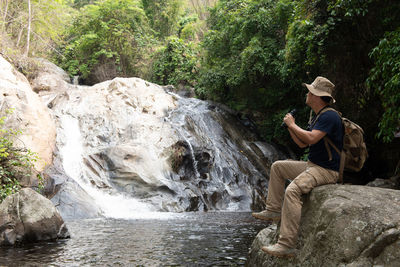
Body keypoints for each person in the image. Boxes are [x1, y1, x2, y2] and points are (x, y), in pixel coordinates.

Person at [252, 76, 343, 257]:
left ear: (317, 96)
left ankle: (286, 244)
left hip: (326, 170)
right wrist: (290, 128)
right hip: (312, 165)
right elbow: (303, 144)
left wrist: (293, 124)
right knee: (278, 167)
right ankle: (274, 210)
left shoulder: (330, 116)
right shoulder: (317, 116)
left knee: (292, 191)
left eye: (310, 91)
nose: (307, 94)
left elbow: (311, 138)